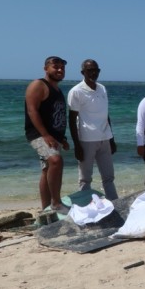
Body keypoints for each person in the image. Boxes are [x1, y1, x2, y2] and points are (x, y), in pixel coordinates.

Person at [67, 59, 118, 200]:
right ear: (83, 72)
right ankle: (85, 208)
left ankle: (115, 204)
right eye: (89, 70)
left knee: (108, 177)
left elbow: (105, 114)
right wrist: (77, 145)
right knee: (85, 179)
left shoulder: (102, 88)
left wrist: (112, 139)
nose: (93, 73)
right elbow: (71, 120)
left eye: (96, 70)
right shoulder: (76, 92)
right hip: (87, 140)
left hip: (105, 138)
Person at [25, 56, 70, 213]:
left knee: (47, 169)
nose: (59, 70)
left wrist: (62, 138)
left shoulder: (57, 90)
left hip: (52, 136)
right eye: (55, 66)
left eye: (62, 68)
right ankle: (56, 203)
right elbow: (32, 110)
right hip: (38, 135)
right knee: (56, 161)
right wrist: (45, 135)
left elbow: (55, 116)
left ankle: (45, 208)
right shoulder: (38, 85)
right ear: (46, 68)